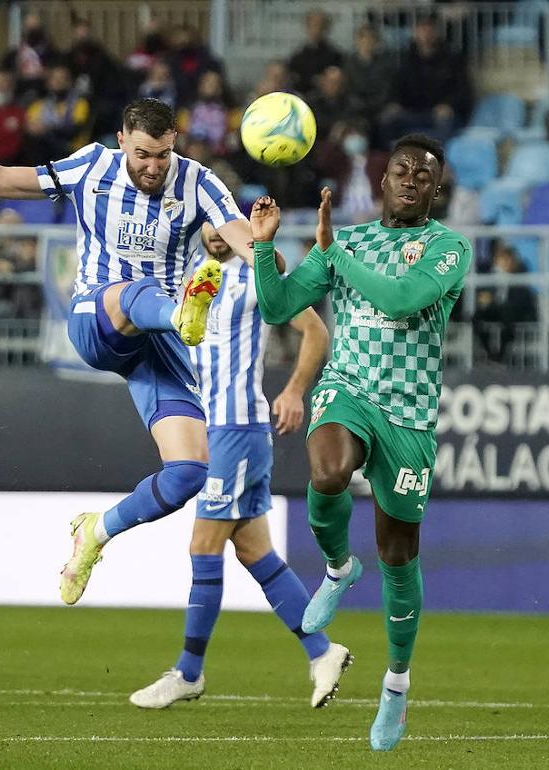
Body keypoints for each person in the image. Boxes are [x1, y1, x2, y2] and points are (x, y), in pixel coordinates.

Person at [0, 97, 265, 606]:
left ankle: (96, 531)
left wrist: (268, 250)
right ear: (122, 141)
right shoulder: (91, 166)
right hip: (98, 319)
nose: (153, 166)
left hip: (155, 343)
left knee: (190, 471)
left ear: (174, 143)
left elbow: (242, 238)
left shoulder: (199, 181)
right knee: (138, 291)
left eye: (161, 154)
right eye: (142, 154)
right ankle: (181, 314)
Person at [250, 134, 472, 751]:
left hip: (409, 416)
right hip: (349, 390)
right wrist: (266, 252)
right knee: (325, 472)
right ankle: (339, 568)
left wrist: (331, 254)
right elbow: (280, 307)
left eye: (423, 176)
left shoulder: (449, 249)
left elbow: (400, 299)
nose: (409, 180)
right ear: (382, 179)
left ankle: (396, 687)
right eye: (401, 170)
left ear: (435, 190)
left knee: (399, 555)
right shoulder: (345, 242)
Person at [129, 223, 350, 711]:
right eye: (204, 224)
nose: (213, 234)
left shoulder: (257, 279)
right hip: (215, 431)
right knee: (256, 553)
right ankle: (322, 650)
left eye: (222, 225)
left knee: (203, 544)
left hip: (238, 429)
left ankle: (188, 671)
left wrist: (293, 390)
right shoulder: (187, 281)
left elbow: (315, 329)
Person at [381, 17, 471, 144]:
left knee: (445, 123)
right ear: (415, 33)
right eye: (422, 30)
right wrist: (394, 104)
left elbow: (463, 91)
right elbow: (396, 89)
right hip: (413, 113)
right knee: (387, 120)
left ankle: (434, 157)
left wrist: (449, 105)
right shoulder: (406, 60)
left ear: (436, 33)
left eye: (430, 31)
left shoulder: (452, 60)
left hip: (440, 114)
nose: (426, 35)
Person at [472, 241, 537, 363]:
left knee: (507, 312)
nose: (503, 263)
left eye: (506, 259)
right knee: (476, 316)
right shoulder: (491, 278)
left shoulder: (520, 277)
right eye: (500, 259)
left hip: (517, 314)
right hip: (497, 312)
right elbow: (483, 297)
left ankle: (501, 354)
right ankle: (489, 351)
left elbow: (521, 301)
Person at [26, 65, 92, 159]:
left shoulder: (80, 103)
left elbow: (73, 130)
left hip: (71, 153)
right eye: (54, 78)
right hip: (43, 152)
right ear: (48, 83)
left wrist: (46, 129)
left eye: (63, 78)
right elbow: (30, 128)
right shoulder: (38, 105)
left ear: (70, 82)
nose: (58, 82)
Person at [343, 24, 395, 128]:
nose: (367, 42)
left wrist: (375, 105)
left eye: (371, 38)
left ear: (376, 42)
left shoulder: (385, 64)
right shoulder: (348, 64)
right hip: (356, 108)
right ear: (357, 41)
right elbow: (347, 89)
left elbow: (386, 89)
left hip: (379, 108)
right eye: (364, 38)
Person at [176, 71, 238, 155]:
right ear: (200, 86)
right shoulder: (187, 109)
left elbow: (233, 140)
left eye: (215, 84)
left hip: (217, 155)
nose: (212, 87)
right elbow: (181, 135)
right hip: (191, 152)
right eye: (208, 83)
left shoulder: (231, 111)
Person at [288, 11, 343, 95]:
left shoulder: (335, 56)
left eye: (320, 26)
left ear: (326, 28)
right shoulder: (297, 58)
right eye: (313, 25)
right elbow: (294, 80)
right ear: (307, 27)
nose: (316, 29)